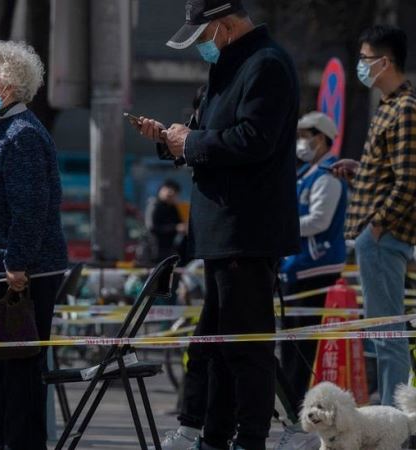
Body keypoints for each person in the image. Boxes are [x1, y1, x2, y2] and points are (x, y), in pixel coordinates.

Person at [138, 0, 300, 448]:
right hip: (222, 230)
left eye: (204, 37)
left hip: (245, 229)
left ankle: (250, 437)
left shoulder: (265, 65)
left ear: (224, 27)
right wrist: (174, 141)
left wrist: (191, 142)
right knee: (216, 345)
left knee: (245, 347)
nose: (203, 48)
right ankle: (214, 433)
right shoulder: (232, 66)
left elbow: (253, 139)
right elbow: (205, 135)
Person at [0, 41, 68, 450]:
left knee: (19, 379)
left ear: (6, 87)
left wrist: (17, 263)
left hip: (19, 276)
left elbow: (31, 207)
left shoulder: (20, 134)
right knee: (1, 375)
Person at [332, 25, 416, 407]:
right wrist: (361, 169)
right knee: (383, 333)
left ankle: (393, 422)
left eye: (365, 59)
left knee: (387, 333)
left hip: (384, 237)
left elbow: (409, 180)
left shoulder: (404, 109)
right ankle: (392, 416)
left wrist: (379, 225)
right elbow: (392, 172)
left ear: (385, 62)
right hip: (377, 235)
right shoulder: (390, 107)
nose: (360, 66)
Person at [275, 111, 346, 447]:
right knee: (290, 347)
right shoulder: (305, 174)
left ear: (322, 138)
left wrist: (280, 227)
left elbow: (319, 220)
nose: (301, 142)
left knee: (300, 350)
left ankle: (298, 425)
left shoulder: (327, 176)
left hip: (313, 268)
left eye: (306, 135)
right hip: (295, 267)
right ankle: (294, 418)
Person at [145, 180, 185, 261]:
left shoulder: (172, 208)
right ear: (160, 190)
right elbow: (152, 227)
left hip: (169, 249)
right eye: (168, 189)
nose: (170, 193)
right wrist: (175, 228)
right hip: (153, 249)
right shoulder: (154, 205)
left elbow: (180, 223)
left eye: (174, 191)